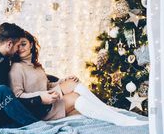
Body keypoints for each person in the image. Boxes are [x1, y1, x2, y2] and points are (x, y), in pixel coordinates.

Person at [9, 31, 148, 126]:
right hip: (38, 108)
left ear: (31, 44)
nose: (21, 48)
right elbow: (17, 96)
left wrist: (61, 81)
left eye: (24, 44)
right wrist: (41, 96)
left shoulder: (36, 66)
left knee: (72, 83)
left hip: (48, 99)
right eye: (18, 45)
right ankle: (120, 120)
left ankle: (109, 111)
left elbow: (46, 86)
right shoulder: (16, 68)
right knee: (75, 97)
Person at [0, 23, 57, 128]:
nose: (18, 50)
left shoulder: (2, 57)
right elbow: (7, 99)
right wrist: (38, 99)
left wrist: (54, 79)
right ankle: (37, 126)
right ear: (9, 44)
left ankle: (29, 123)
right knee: (2, 91)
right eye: (17, 46)